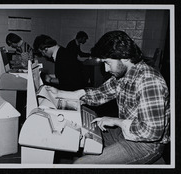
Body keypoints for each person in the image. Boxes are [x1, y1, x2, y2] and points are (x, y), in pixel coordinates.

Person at [45, 30, 170, 164]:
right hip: (126, 134)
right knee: (82, 140)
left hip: (146, 145)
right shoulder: (124, 75)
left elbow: (152, 132)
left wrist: (115, 121)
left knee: (81, 164)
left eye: (108, 63)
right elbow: (99, 94)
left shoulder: (149, 81)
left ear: (125, 57)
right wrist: (59, 94)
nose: (105, 69)